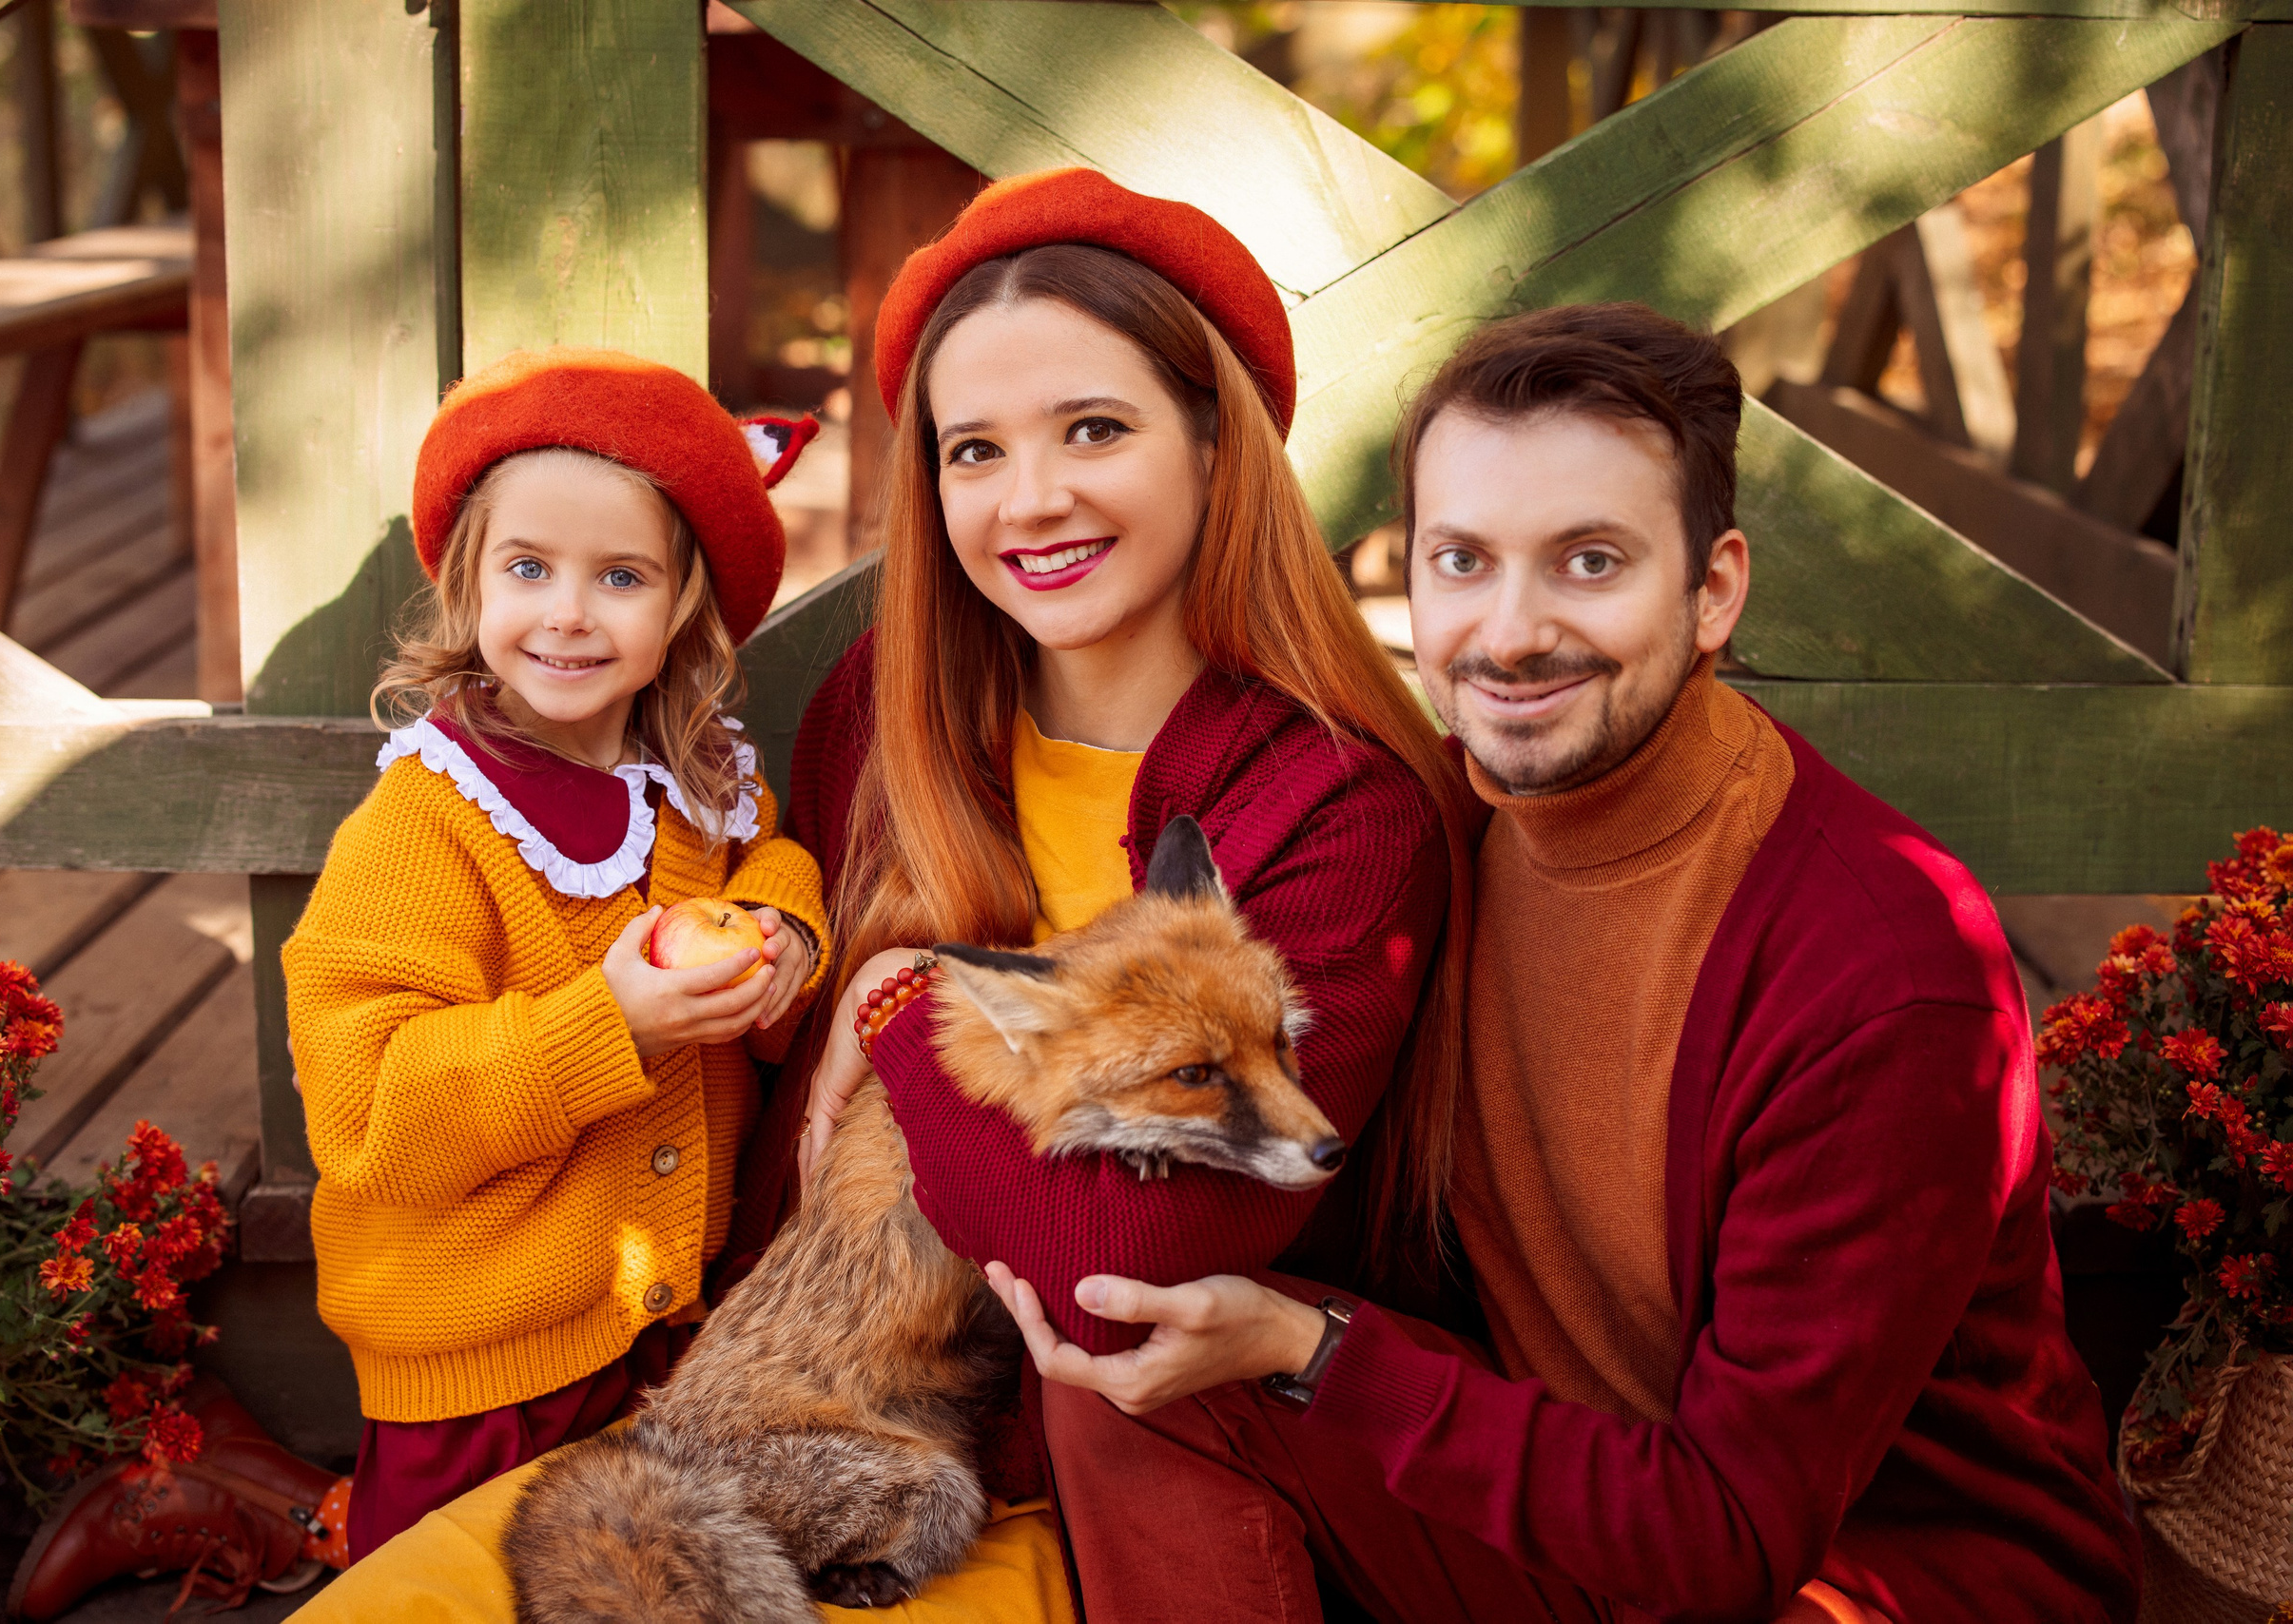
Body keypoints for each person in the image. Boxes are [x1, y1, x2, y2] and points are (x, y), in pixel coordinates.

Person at [983, 304, 2141, 1621]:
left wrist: (1314, 1353)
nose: (1512, 633)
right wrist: (900, 995)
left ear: (1714, 591)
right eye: (1462, 561)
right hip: (1565, 1491)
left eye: (1589, 563)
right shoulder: (1441, 824)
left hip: (1860, 1575)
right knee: (1143, 1372)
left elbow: (1730, 1537)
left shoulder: (1880, 970)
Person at [772, 164, 1470, 1434]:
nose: (1031, 499)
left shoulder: (1345, 807)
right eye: (974, 450)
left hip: (1153, 1452)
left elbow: (1125, 1270)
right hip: (831, 1407)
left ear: (1216, 446)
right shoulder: (884, 708)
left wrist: (897, 1002)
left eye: (1094, 429)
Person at [279, 349, 828, 1561]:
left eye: (620, 575)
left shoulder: (697, 775)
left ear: (684, 602)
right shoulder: (428, 821)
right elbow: (367, 1109)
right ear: (468, 583)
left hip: (662, 1328)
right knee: (462, 1589)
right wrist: (611, 1027)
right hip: (480, 1364)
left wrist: (785, 930)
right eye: (528, 569)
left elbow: (765, 864)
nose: (568, 612)